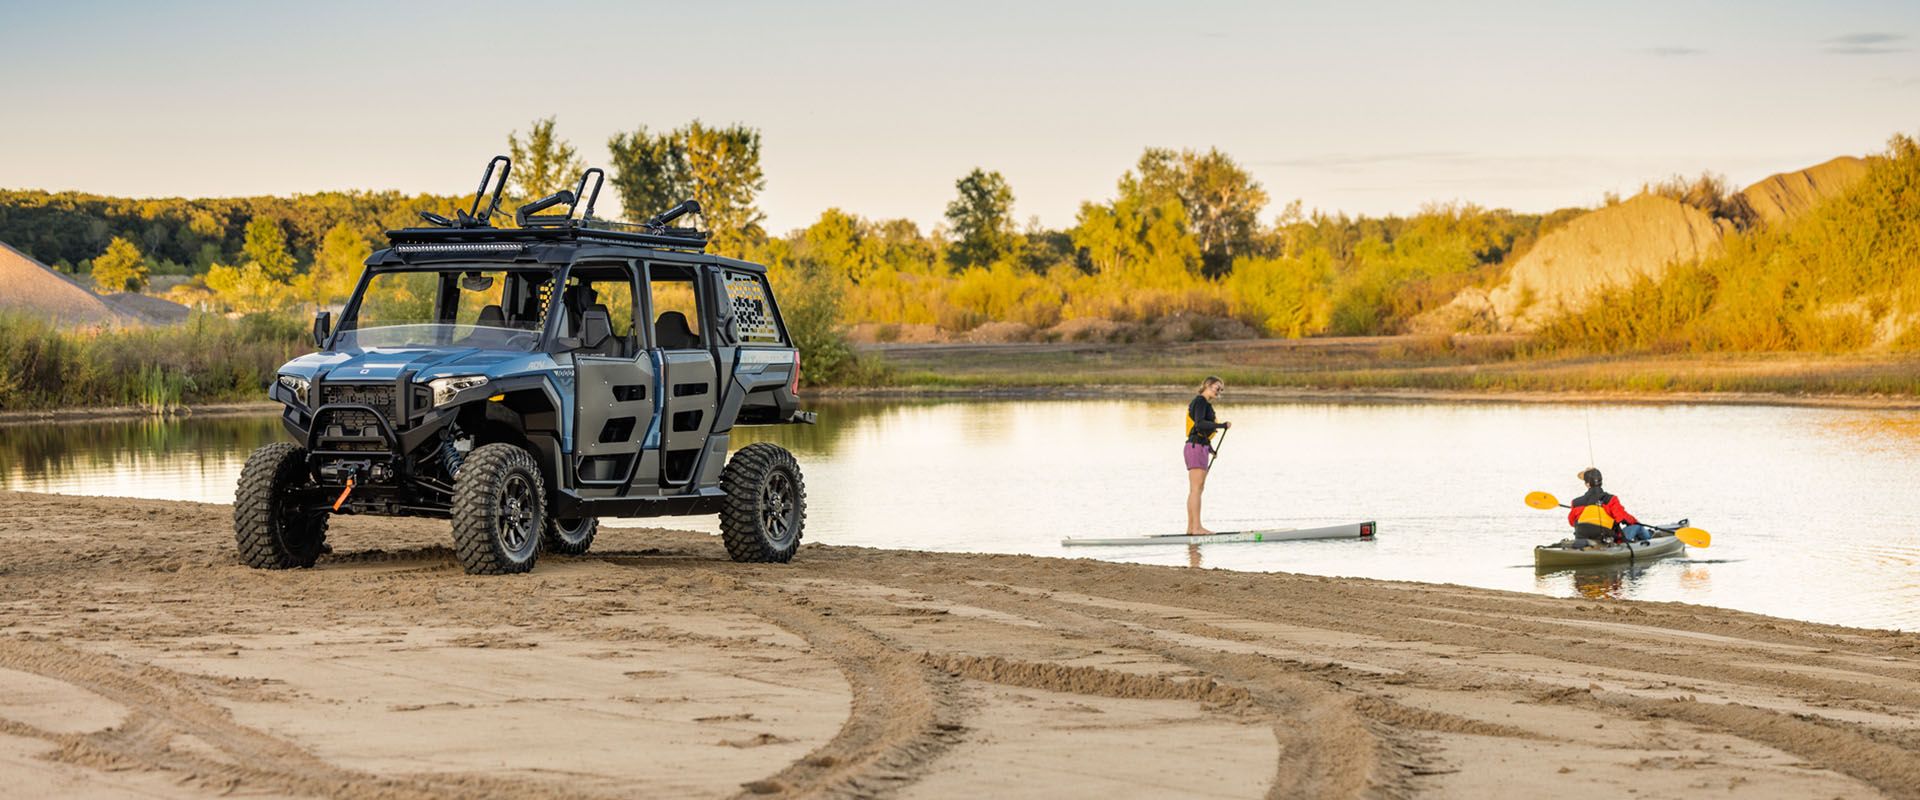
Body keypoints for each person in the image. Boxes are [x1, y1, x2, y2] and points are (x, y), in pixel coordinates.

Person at [1184, 377, 1231, 535]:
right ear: (1208, 385)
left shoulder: (1204, 403)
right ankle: (1196, 528)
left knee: (1196, 489)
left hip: (1199, 446)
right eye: (1217, 388)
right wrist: (1221, 425)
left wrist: (1210, 449)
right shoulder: (1200, 401)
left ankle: (1192, 528)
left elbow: (1200, 431)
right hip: (1195, 447)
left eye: (1221, 389)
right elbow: (1199, 424)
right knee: (1196, 489)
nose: (1219, 391)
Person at [1567, 468, 1652, 549]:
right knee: (1637, 526)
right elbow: (1622, 517)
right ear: (1601, 482)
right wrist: (1634, 522)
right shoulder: (1610, 499)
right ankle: (1650, 538)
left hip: (1582, 539)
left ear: (1587, 484)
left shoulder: (1576, 502)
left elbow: (1572, 522)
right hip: (1608, 540)